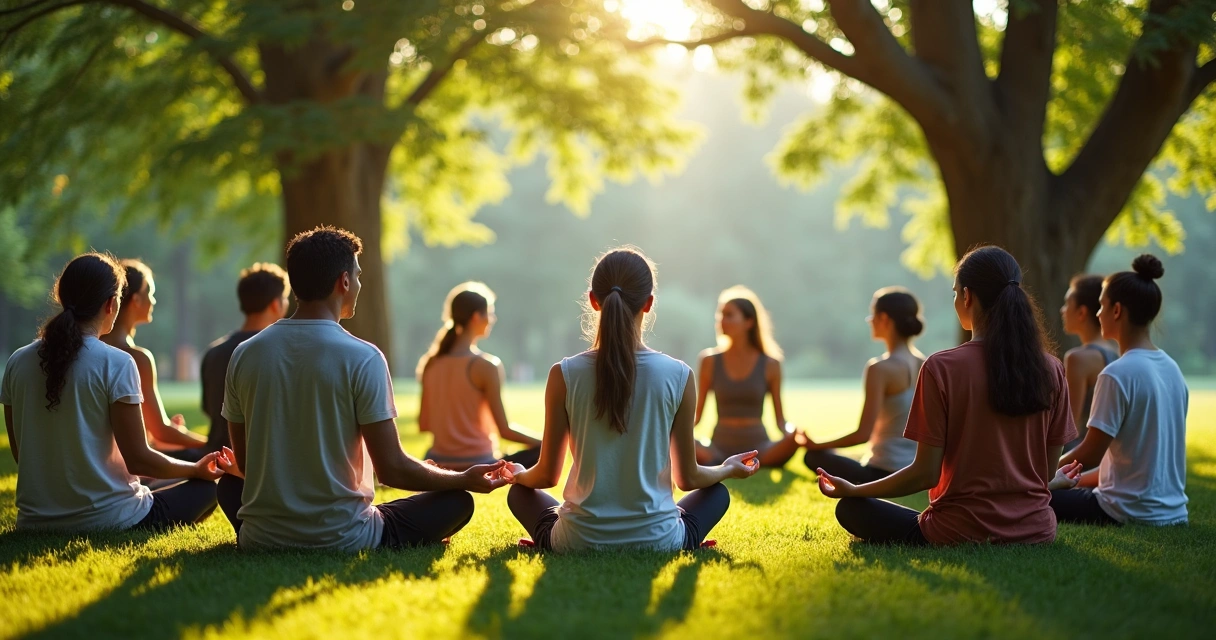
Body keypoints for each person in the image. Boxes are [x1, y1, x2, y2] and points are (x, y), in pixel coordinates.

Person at [214, 226, 507, 552]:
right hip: (345, 536)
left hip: (261, 537)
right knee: (457, 501)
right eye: (358, 275)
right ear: (344, 281)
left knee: (229, 483)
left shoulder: (245, 354)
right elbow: (392, 469)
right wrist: (463, 478)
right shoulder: (363, 357)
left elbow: (247, 463)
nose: (359, 284)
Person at [816, 246, 1082, 545]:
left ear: (967, 296)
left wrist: (855, 490)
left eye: (955, 293)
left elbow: (925, 474)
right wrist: (1054, 481)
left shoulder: (941, 367)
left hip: (958, 530)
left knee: (851, 509)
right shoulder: (1051, 368)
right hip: (1036, 531)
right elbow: (1044, 472)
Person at [502, 247, 760, 551]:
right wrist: (727, 468)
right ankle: (672, 530)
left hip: (576, 541)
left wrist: (520, 475)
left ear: (593, 300)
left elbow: (546, 476)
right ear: (649, 303)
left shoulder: (564, 373)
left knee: (519, 493)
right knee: (717, 494)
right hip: (660, 540)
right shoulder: (679, 374)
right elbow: (688, 478)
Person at [1, 253, 222, 532]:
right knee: (207, 487)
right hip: (110, 518)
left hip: (34, 521)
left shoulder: (17, 361)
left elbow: (22, 453)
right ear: (110, 304)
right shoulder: (117, 362)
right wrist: (196, 469)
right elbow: (139, 459)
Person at [1052, 255, 1188, 526]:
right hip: (1173, 513)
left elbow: (1090, 453)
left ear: (1116, 311)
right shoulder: (1173, 369)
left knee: (1029, 497)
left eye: (1102, 306)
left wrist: (1039, 472)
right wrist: (1065, 480)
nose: (1098, 313)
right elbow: (1134, 462)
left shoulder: (1116, 373)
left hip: (1123, 511)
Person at [803, 287, 926, 483]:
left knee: (813, 457)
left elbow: (862, 435)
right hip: (913, 471)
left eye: (872, 314)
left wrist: (816, 444)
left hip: (882, 471)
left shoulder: (880, 368)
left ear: (884, 319)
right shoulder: (925, 364)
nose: (869, 320)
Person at [170, 263, 290, 461]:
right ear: (276, 304)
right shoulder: (278, 352)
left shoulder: (214, 352)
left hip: (215, 456)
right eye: (285, 298)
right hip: (258, 461)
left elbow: (209, 410)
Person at [416, 282, 542, 470]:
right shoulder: (486, 366)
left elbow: (424, 424)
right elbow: (504, 430)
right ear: (476, 317)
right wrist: (545, 442)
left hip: (437, 464)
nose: (493, 319)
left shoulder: (430, 363)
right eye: (490, 313)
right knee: (542, 450)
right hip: (479, 464)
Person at [99, 259, 207, 453]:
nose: (153, 301)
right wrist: (211, 445)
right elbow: (161, 431)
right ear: (136, 300)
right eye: (150, 293)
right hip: (122, 468)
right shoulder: (136, 359)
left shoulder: (91, 349)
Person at [694, 286, 801, 468]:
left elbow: (780, 421)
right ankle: (723, 462)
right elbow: (697, 416)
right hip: (718, 449)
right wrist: (675, 434)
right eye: (720, 315)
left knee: (795, 440)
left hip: (759, 449)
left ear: (749, 322)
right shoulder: (709, 360)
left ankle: (749, 461)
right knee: (678, 441)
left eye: (729, 315)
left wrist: (793, 433)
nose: (721, 320)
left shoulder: (771, 364)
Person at [1059, 274, 1119, 451]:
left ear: (1082, 312)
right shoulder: (1117, 352)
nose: (1062, 310)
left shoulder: (1078, 359)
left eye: (1067, 304)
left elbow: (1070, 428)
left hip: (1082, 456)